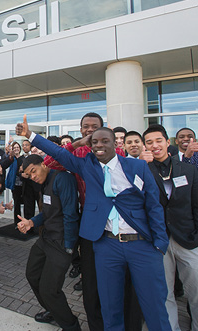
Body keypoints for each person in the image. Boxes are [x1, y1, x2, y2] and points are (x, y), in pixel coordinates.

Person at [16, 115, 170, 330]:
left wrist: (160, 244)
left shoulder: (137, 167)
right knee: (109, 305)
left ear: (115, 143)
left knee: (154, 305)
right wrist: (30, 135)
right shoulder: (88, 166)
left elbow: (154, 206)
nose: (98, 145)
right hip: (105, 243)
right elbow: (57, 154)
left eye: (104, 140)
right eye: (94, 141)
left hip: (141, 244)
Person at [143, 124, 198, 331]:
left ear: (168, 142)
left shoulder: (188, 169)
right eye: (149, 142)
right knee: (163, 292)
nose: (155, 145)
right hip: (158, 241)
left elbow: (196, 204)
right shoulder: (143, 170)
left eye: (158, 140)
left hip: (188, 238)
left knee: (196, 291)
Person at [17, 154, 80, 331]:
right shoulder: (44, 183)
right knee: (32, 274)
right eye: (29, 175)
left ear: (44, 165)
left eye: (34, 171)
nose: (33, 177)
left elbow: (70, 214)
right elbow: (47, 213)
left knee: (49, 289)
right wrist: (31, 222)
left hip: (60, 242)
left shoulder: (63, 179)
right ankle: (52, 310)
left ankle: (71, 326)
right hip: (45, 238)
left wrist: (69, 246)